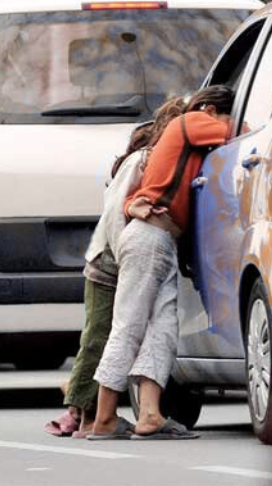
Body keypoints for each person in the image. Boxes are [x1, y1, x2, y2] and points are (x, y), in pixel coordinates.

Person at [88, 86, 235, 441]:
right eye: (223, 114)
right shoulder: (189, 122)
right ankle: (104, 417)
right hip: (149, 238)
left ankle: (150, 414)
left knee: (163, 328)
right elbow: (239, 132)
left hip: (161, 240)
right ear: (210, 109)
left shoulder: (185, 134)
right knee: (130, 325)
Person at [45, 97, 187, 438]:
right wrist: (124, 259)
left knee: (119, 332)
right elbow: (114, 214)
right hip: (108, 264)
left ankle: (94, 415)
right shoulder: (142, 161)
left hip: (122, 260)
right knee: (100, 336)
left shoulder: (161, 164)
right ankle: (82, 413)